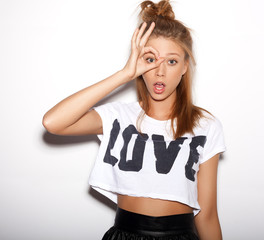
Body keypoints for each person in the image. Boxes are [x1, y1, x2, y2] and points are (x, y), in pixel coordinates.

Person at [42, 0, 226, 239]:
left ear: (184, 66)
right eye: (151, 59)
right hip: (125, 234)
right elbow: (53, 122)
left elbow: (208, 214)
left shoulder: (205, 126)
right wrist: (124, 74)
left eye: (171, 61)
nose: (160, 72)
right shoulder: (118, 116)